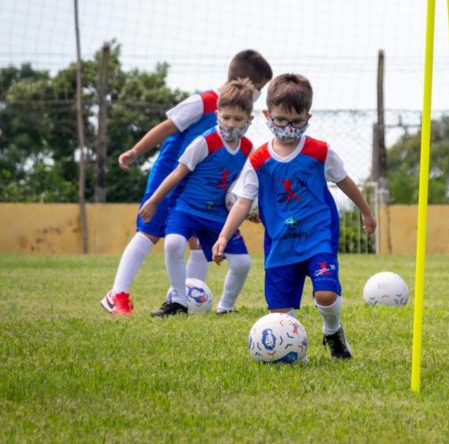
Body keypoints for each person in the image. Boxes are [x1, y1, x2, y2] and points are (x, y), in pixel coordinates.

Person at [212, 73, 377, 358]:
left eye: (297, 122)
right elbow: (242, 202)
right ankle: (290, 350)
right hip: (280, 244)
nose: (289, 128)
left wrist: (366, 213)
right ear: (267, 115)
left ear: (308, 116)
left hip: (317, 237)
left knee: (325, 294)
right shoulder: (259, 160)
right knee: (280, 317)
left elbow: (344, 181)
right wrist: (224, 236)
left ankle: (332, 330)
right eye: (280, 121)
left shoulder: (319, 152)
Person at [101, 50, 272, 315]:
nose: (257, 94)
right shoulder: (203, 102)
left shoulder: (236, 119)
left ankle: (191, 298)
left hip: (200, 185)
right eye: (258, 88)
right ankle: (117, 293)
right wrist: (136, 151)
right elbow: (167, 127)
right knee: (150, 231)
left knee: (197, 240)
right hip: (172, 172)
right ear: (242, 81)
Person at [139, 78, 257, 316]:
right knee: (173, 244)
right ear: (217, 115)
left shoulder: (248, 149)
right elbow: (176, 173)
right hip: (186, 208)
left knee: (243, 263)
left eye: (237, 119)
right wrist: (153, 202)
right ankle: (179, 301)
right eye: (226, 118)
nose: (231, 124)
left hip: (218, 215)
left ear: (249, 120)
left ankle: (226, 308)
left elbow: (246, 186)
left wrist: (255, 210)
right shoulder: (204, 142)